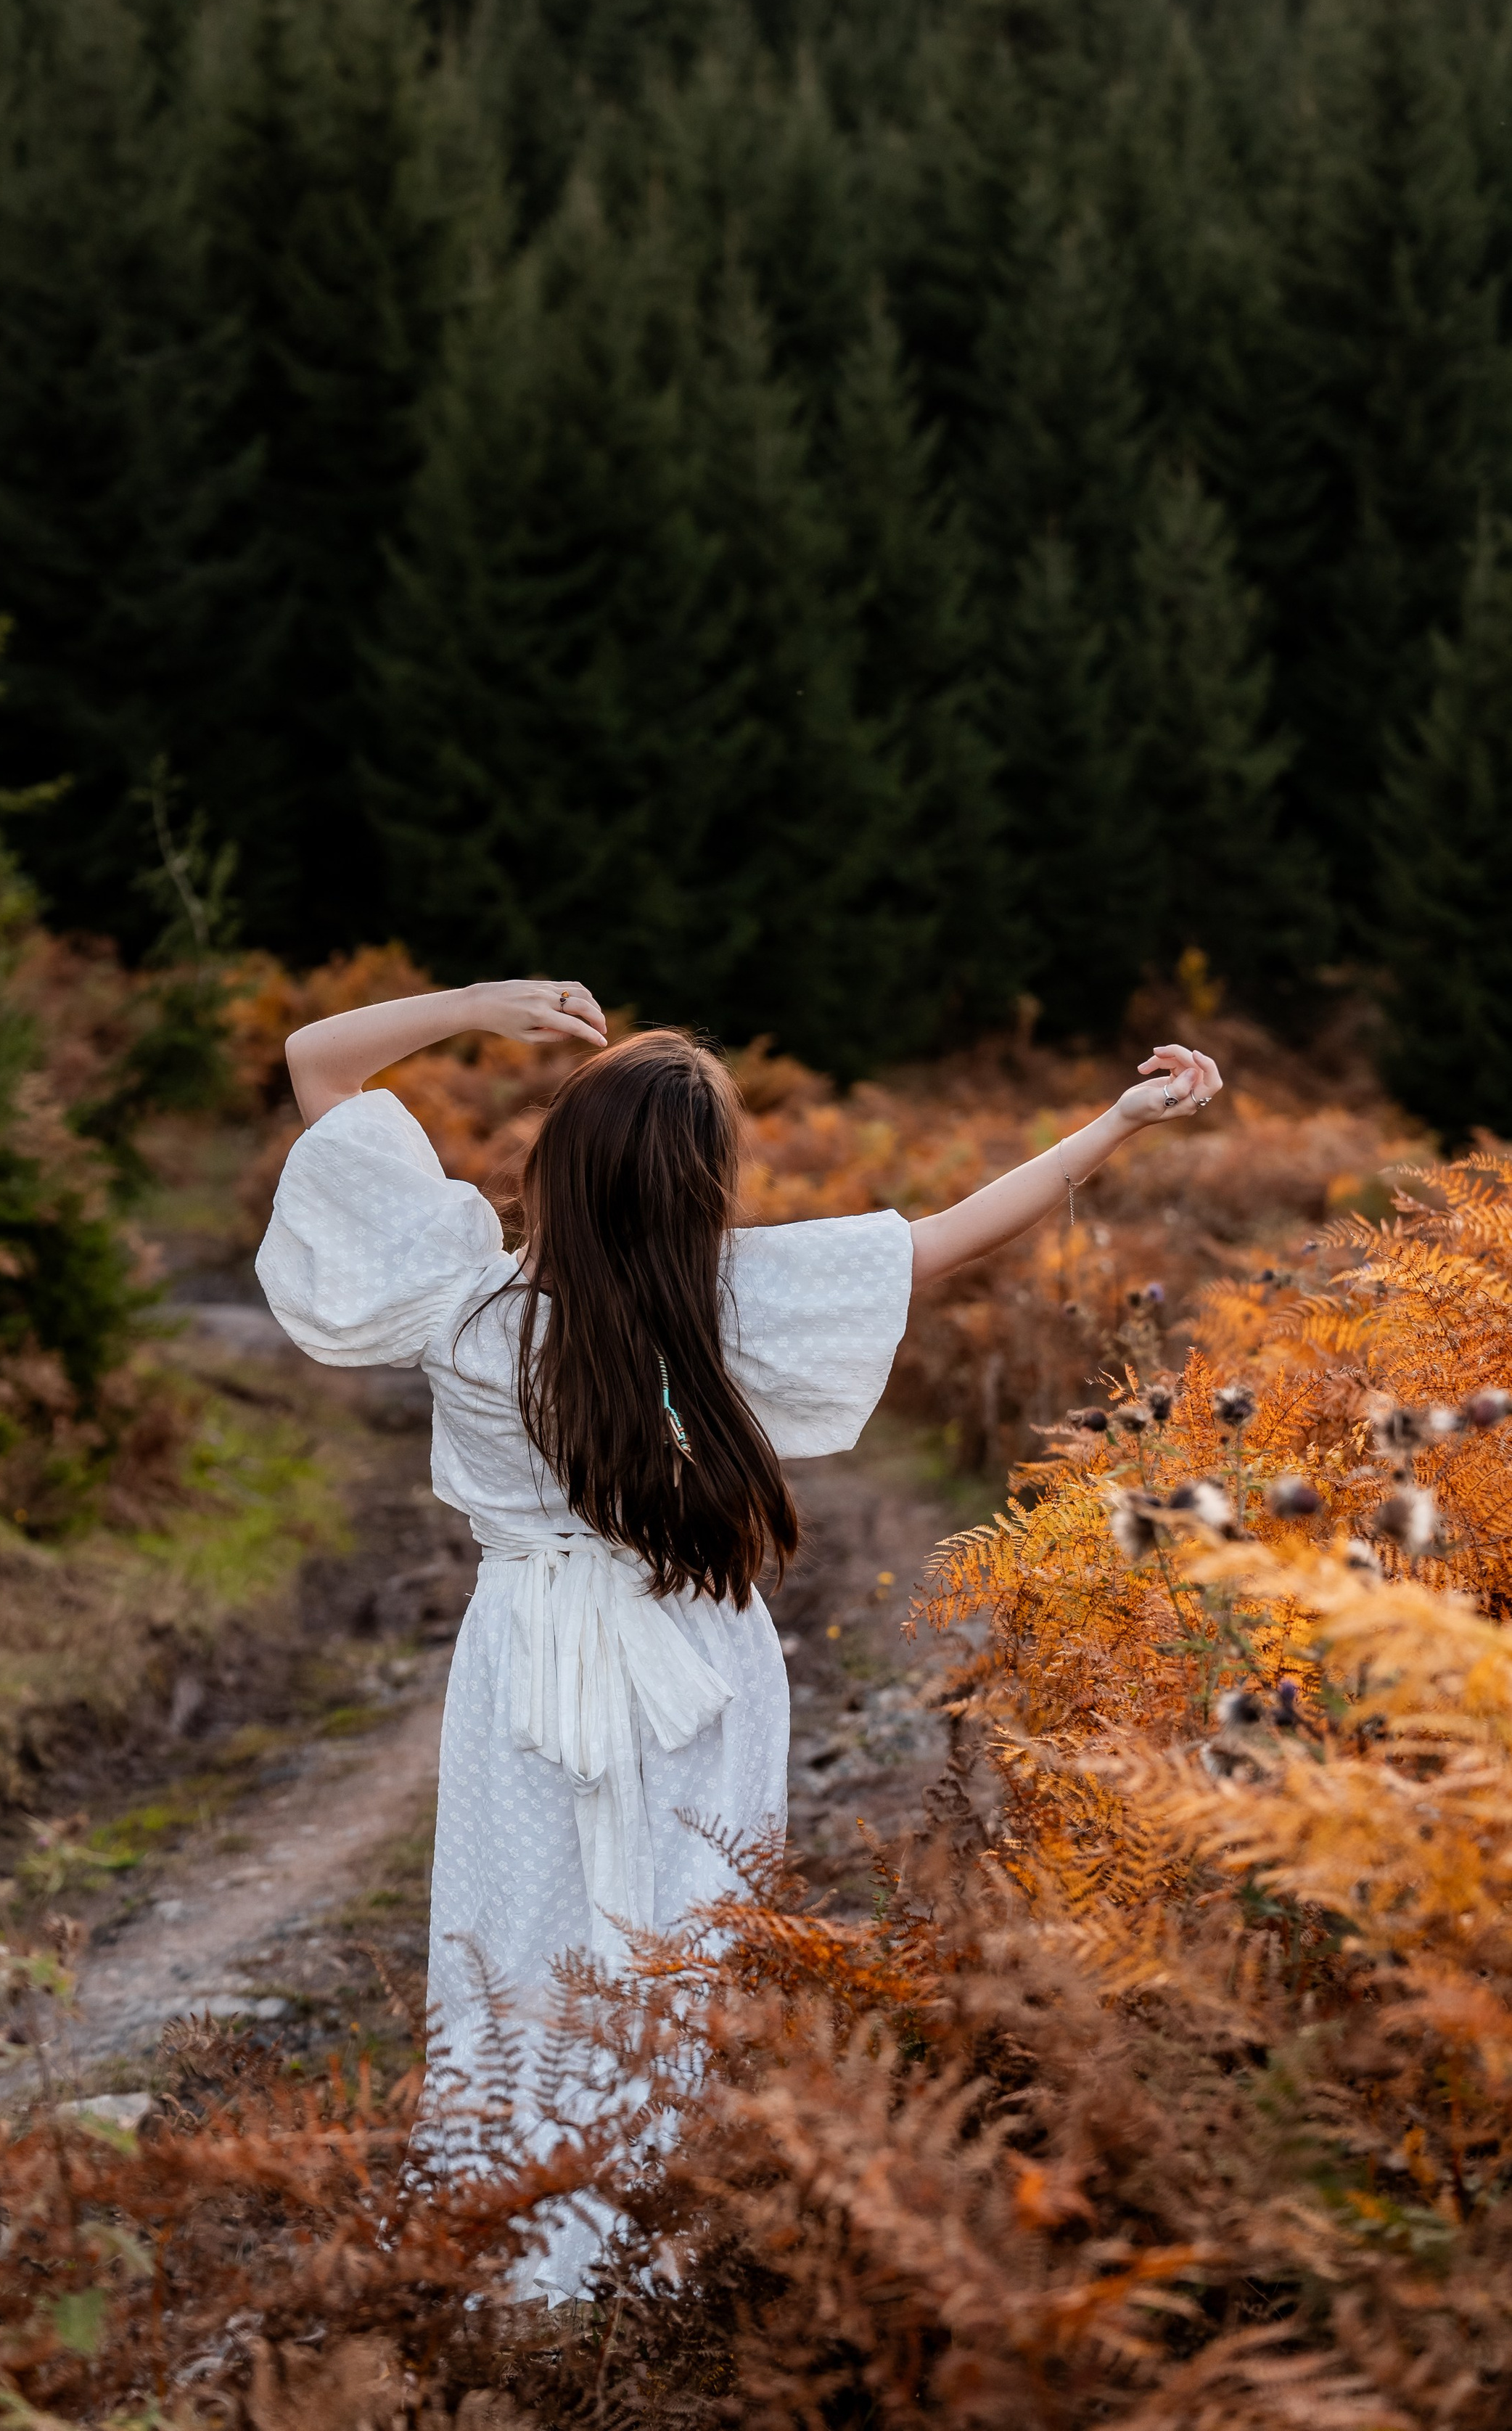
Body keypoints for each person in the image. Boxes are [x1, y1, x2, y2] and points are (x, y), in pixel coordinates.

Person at [255, 978, 1221, 2293]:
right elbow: (949, 1237)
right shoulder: (729, 1308)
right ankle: (664, 2246)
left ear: (553, 1166)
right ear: (705, 1195)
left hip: (524, 1655)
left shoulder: (461, 1304)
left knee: (513, 1930)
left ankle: (511, 2233)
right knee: (692, 1943)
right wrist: (1119, 1119)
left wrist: (491, 1006)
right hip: (700, 1658)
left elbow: (318, 1062)